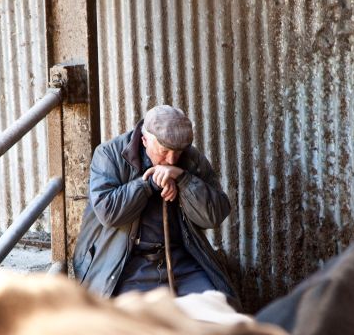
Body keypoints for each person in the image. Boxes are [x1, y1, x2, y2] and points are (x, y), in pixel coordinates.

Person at [73, 104, 240, 308]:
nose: (171, 159)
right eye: (164, 151)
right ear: (145, 140)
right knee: (130, 325)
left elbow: (214, 215)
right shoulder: (109, 154)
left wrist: (183, 179)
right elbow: (109, 213)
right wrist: (149, 184)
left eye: (177, 152)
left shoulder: (191, 158)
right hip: (128, 263)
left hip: (181, 261)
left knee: (218, 309)